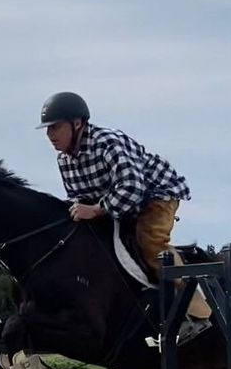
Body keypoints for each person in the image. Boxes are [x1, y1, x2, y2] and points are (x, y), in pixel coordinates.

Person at [36, 90, 212, 344]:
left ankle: (198, 313)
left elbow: (132, 189)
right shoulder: (64, 160)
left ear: (77, 123)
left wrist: (95, 210)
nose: (50, 135)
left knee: (150, 241)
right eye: (48, 129)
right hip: (118, 204)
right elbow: (79, 199)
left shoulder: (107, 142)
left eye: (56, 127)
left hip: (156, 195)